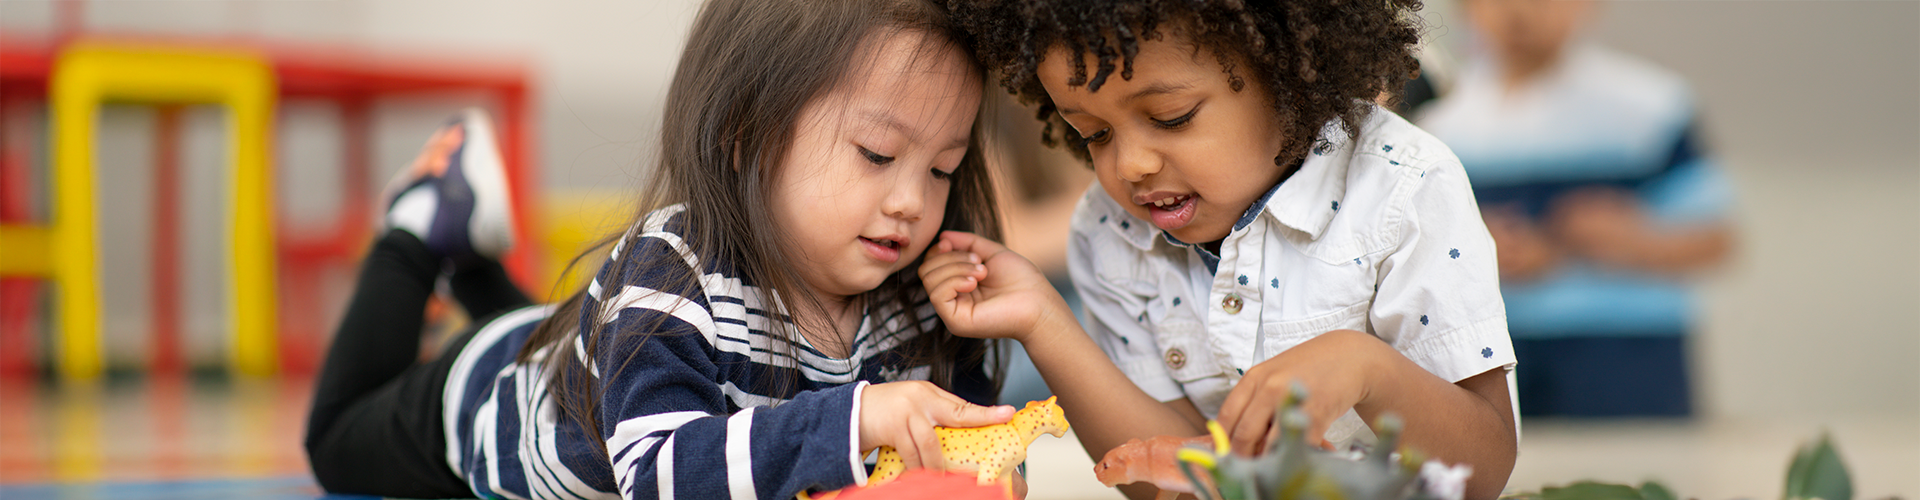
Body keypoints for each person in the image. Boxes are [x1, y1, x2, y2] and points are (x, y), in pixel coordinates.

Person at [302, 0, 1026, 498]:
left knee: (599, 348)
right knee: (337, 444)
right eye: (876, 154)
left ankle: (478, 266)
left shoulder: (915, 295)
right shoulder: (671, 267)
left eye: (941, 169)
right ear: (750, 132)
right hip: (495, 402)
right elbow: (655, 474)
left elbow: (956, 439)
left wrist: (988, 459)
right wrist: (856, 417)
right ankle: (424, 224)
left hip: (599, 357)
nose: (911, 200)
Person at [927, 2, 1521, 499]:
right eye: (1095, 134)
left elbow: (1481, 469)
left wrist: (1365, 367)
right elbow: (1160, 478)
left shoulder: (1405, 187)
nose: (1129, 165)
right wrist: (1043, 322)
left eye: (1171, 117)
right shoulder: (1110, 231)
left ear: (1283, 71)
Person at [1414, 0, 1734, 417]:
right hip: (1481, 353)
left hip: (1625, 354)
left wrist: (1625, 240)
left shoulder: (1650, 108)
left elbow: (1716, 240)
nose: (1519, 12)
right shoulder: (1434, 118)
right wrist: (1472, 244)